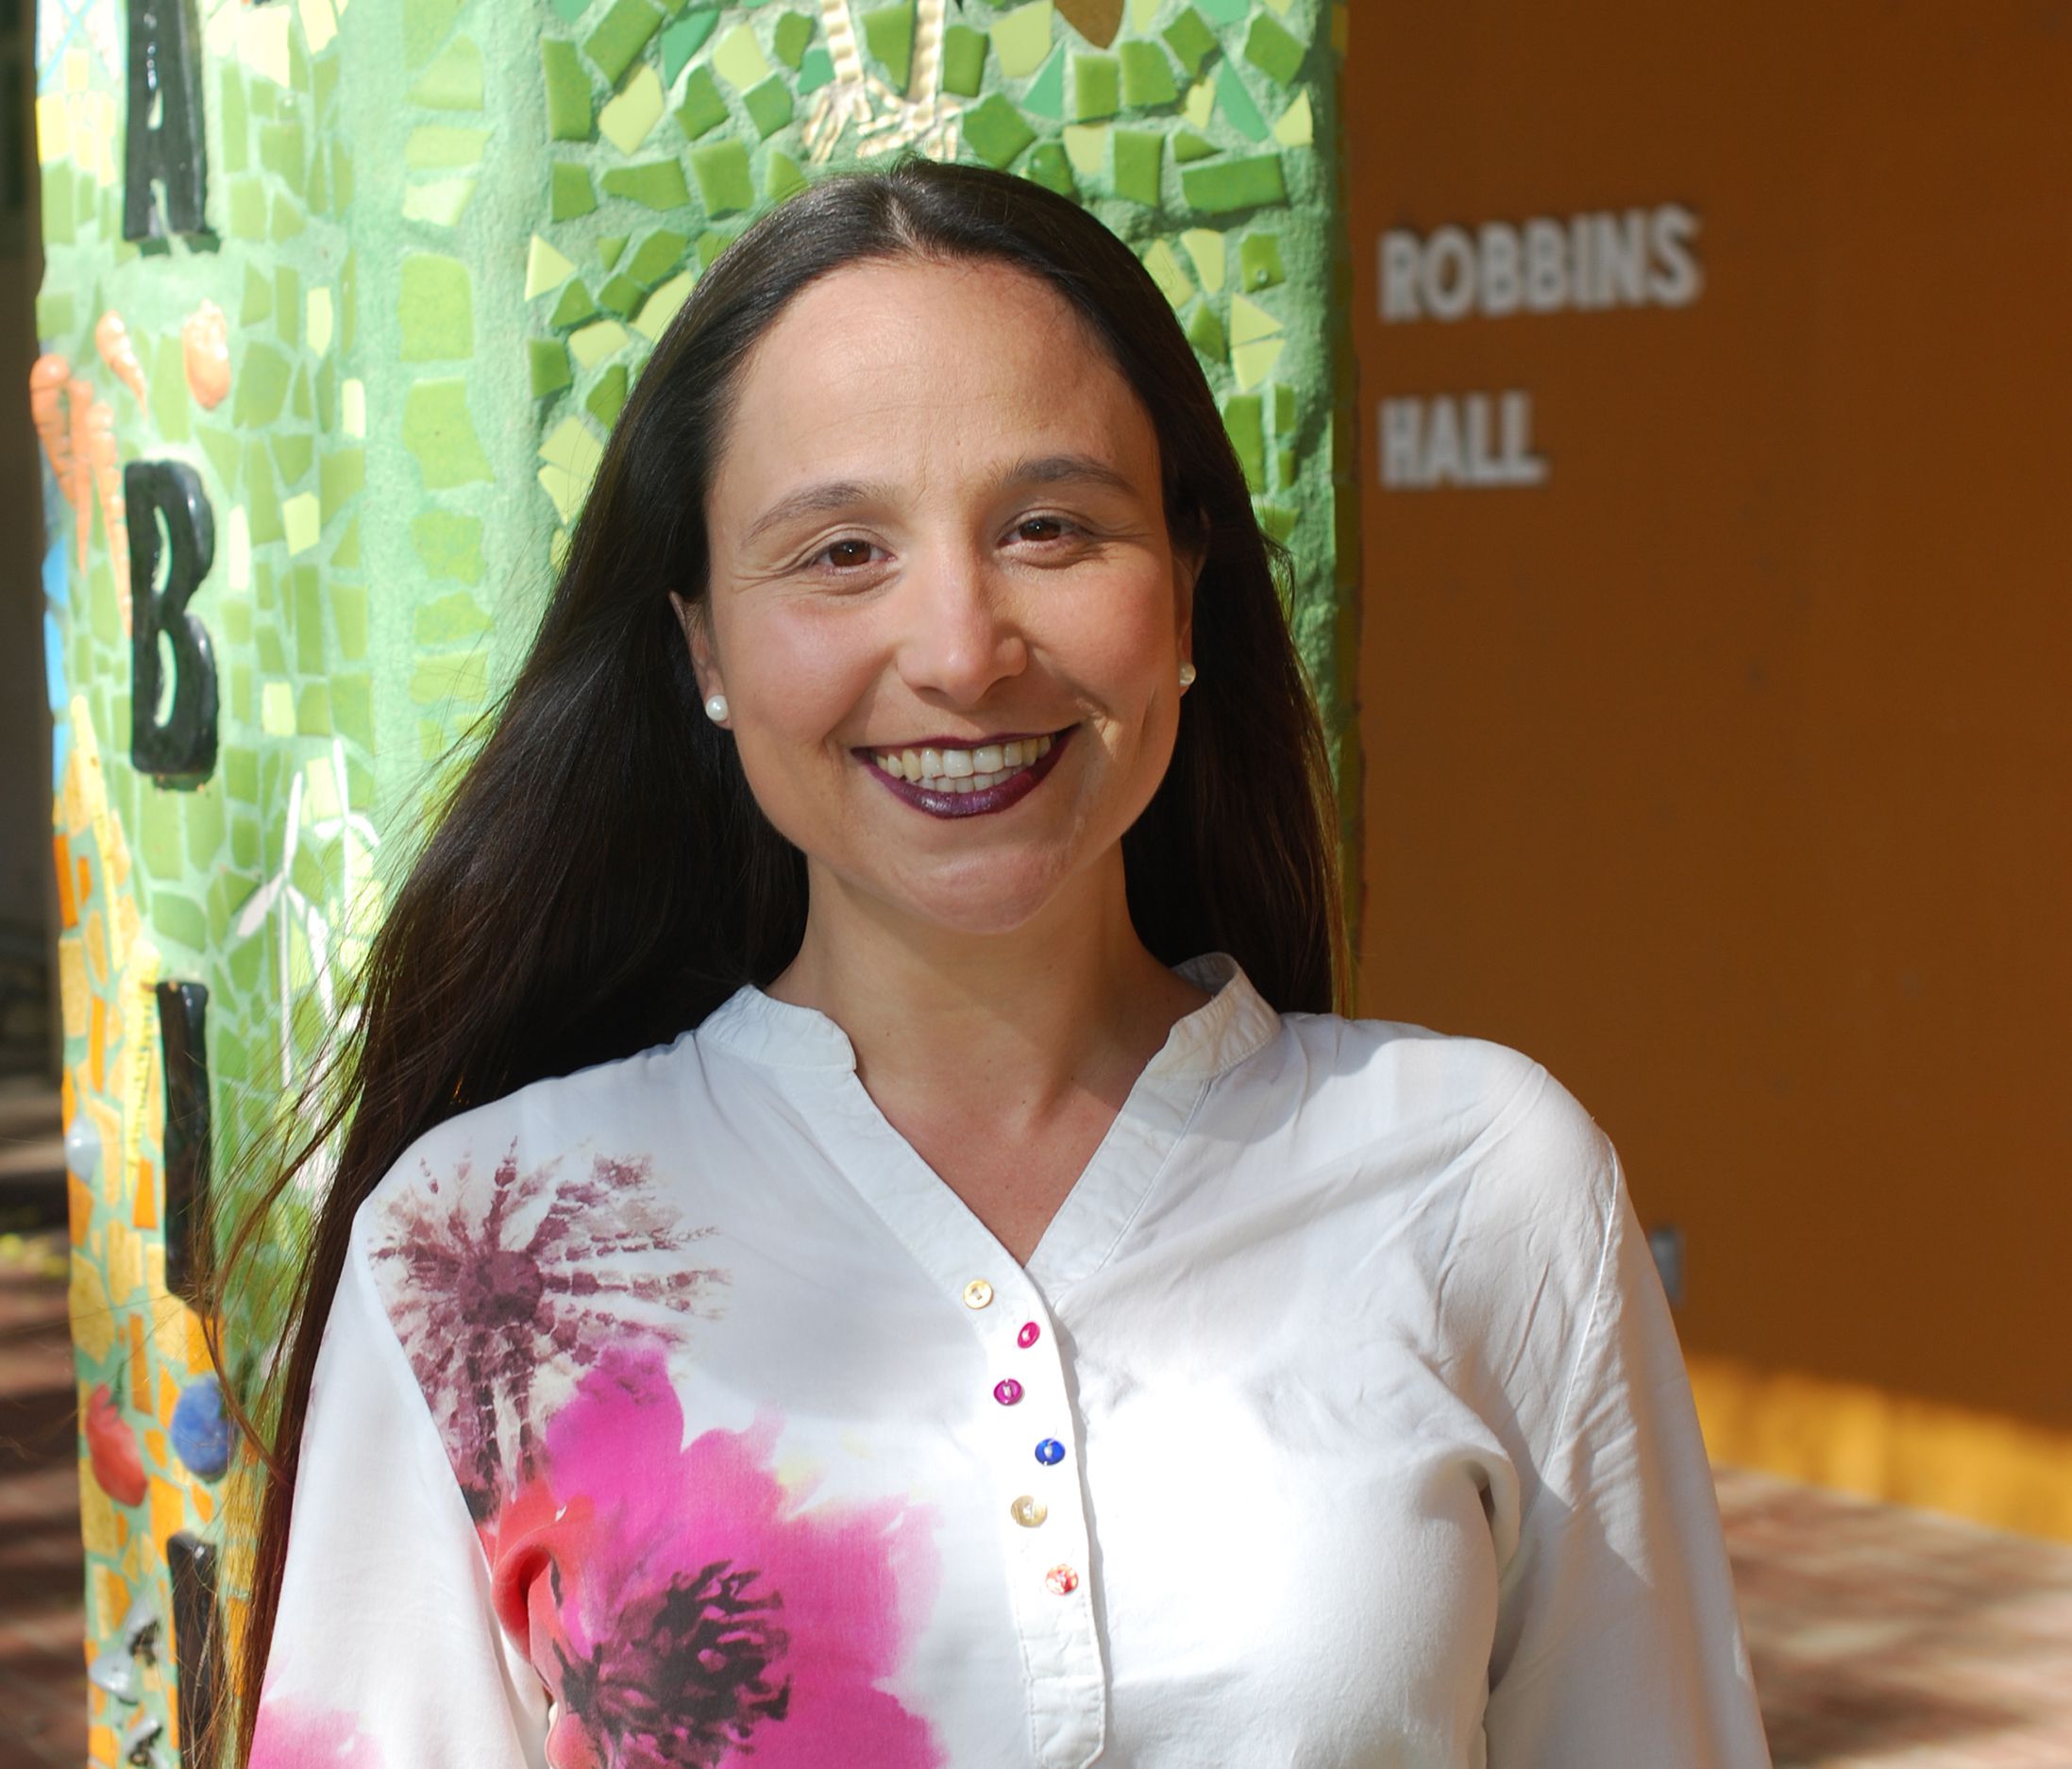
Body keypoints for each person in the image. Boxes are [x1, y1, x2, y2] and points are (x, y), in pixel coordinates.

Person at [221, 159, 1772, 1769]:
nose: (962, 649)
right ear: (704, 647)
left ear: (1185, 596)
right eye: (839, 551)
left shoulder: (1483, 1179)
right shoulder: (487, 1243)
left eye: (1050, 527)